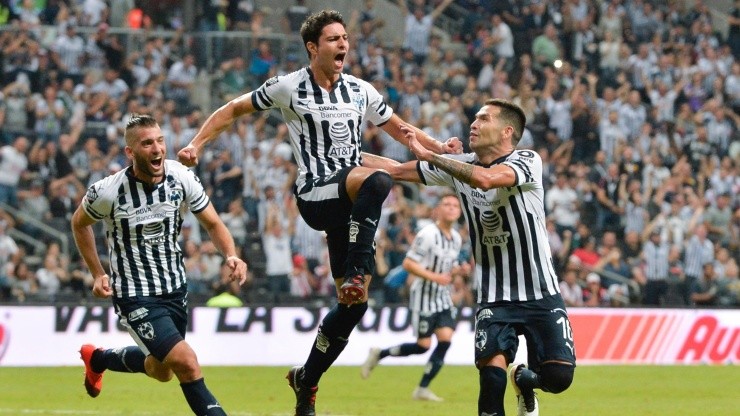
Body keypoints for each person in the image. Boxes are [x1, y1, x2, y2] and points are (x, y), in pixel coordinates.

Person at [176, 10, 461, 416]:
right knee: (379, 181)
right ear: (313, 47)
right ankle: (361, 270)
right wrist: (196, 144)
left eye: (345, 38)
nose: (343, 44)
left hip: (348, 207)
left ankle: (306, 380)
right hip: (315, 195)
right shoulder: (288, 87)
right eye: (333, 39)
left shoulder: (360, 91)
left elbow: (402, 130)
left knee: (354, 307)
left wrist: (440, 149)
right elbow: (232, 110)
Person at [363, 98, 576, 416]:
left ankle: (525, 381)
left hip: (542, 293)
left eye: (484, 118)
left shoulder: (528, 160)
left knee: (559, 378)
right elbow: (393, 170)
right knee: (491, 381)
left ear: (506, 131)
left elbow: (485, 179)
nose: (473, 123)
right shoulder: (457, 166)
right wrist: (334, 154)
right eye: (474, 118)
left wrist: (432, 155)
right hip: (494, 298)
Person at [70, 114, 248, 416]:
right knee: (187, 363)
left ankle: (98, 359)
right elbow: (79, 223)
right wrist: (98, 273)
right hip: (135, 294)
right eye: (147, 143)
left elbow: (213, 223)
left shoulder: (181, 178)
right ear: (131, 152)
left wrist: (231, 254)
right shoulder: (108, 191)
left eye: (160, 141)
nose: (157, 149)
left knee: (162, 370)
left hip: (175, 289)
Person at [361, 193, 466, 402]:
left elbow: (446, 267)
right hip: (424, 296)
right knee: (423, 346)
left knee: (445, 339)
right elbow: (409, 264)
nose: (452, 208)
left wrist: (458, 270)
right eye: (446, 204)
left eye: (455, 205)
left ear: (460, 212)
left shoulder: (456, 238)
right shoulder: (427, 234)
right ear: (437, 210)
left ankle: (422, 388)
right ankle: (379, 354)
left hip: (442, 296)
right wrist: (435, 276)